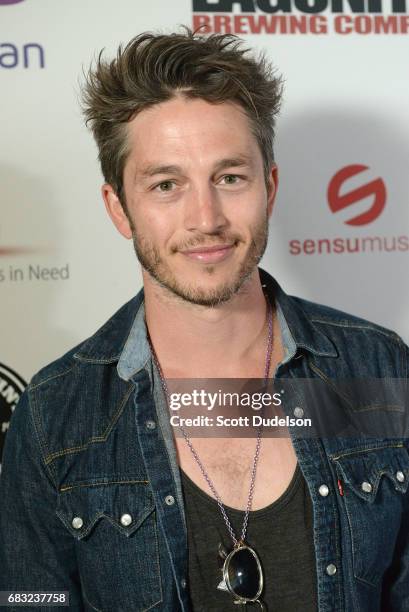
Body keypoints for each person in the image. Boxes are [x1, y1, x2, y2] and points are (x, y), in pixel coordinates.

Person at [0, 27, 408, 612]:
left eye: (229, 178)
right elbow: (27, 600)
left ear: (269, 185)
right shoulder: (57, 415)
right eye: (167, 185)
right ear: (119, 207)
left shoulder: (376, 369)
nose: (206, 218)